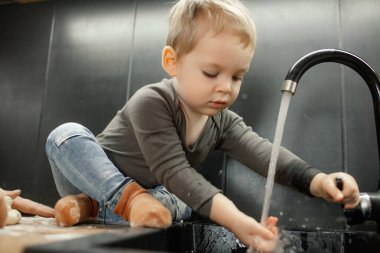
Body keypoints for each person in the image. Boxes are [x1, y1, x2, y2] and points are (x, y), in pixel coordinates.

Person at [45, 0, 360, 251]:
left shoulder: (221, 121)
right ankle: (113, 200)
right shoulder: (151, 101)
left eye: (237, 76)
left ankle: (89, 210)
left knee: (181, 200)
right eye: (212, 73)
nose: (226, 87)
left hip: (146, 204)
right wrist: (236, 221)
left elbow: (264, 153)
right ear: (172, 62)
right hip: (86, 179)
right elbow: (175, 170)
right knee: (65, 134)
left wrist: (318, 181)